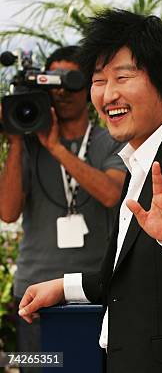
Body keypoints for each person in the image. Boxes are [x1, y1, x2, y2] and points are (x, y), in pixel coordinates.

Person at [16, 9, 162, 372]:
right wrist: (65, 287)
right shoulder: (139, 161)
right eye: (98, 81)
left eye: (123, 77)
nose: (108, 94)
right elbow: (129, 277)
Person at [0, 46, 126, 363]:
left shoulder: (110, 140)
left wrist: (55, 147)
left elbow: (111, 193)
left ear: (88, 88)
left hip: (93, 290)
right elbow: (7, 211)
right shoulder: (28, 145)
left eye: (69, 81)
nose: (61, 92)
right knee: (41, 369)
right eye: (51, 83)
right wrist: (16, 140)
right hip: (34, 292)